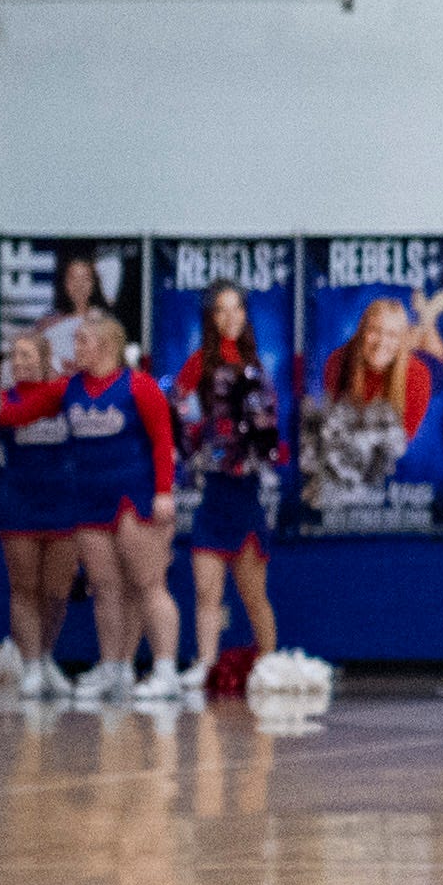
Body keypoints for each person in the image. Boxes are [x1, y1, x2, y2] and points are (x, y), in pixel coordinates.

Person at [3, 308, 182, 702]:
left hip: (133, 497)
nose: (74, 347)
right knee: (104, 586)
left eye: (82, 340)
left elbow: (163, 441)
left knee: (149, 584)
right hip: (88, 499)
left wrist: (164, 493)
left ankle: (166, 669)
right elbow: (16, 413)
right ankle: (113, 668)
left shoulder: (139, 386)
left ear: (104, 344)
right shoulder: (68, 388)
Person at [172, 282, 282, 677]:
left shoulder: (257, 365)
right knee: (206, 592)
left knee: (254, 595)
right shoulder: (198, 362)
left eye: (237, 309)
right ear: (210, 317)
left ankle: (270, 666)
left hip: (245, 492)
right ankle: (205, 664)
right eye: (221, 310)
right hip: (213, 492)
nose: (230, 317)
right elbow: (177, 410)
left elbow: (270, 430)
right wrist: (195, 442)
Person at [0, 331, 82, 698]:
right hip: (19, 500)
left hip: (64, 500)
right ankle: (29, 665)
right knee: (24, 587)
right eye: (15, 356)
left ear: (45, 358)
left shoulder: (65, 394)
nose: (20, 362)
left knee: (57, 589)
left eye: (27, 355)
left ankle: (45, 657)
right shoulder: (1, 401)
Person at [306, 292, 442, 520]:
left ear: (401, 340)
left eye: (392, 334)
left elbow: (400, 440)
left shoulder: (419, 375)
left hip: (432, 368)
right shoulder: (338, 361)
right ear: (362, 332)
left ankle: (427, 317)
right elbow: (335, 428)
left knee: (435, 347)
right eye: (374, 331)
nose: (381, 341)